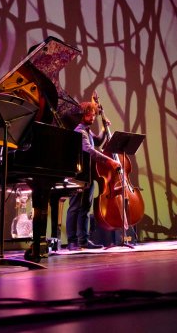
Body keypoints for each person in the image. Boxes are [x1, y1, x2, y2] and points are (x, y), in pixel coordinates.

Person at [65, 99, 115, 250]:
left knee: (85, 208)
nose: (93, 118)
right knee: (74, 208)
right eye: (90, 115)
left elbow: (98, 142)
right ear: (82, 115)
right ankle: (72, 241)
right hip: (79, 175)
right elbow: (89, 150)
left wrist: (105, 130)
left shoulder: (87, 130)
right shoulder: (79, 131)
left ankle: (84, 241)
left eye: (94, 115)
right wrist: (108, 161)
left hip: (88, 175)